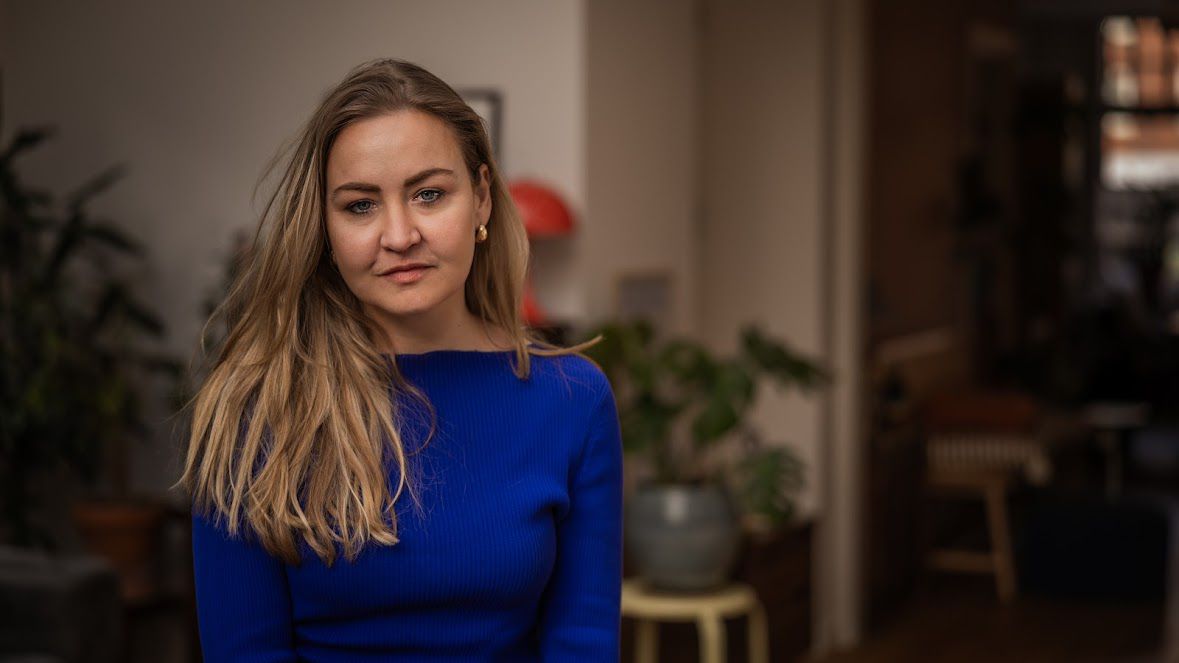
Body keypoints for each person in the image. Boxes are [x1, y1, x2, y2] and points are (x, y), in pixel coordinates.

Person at [177, 58, 623, 662]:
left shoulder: (572, 399)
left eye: (428, 194)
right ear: (325, 227)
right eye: (360, 205)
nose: (399, 235)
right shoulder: (253, 410)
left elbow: (583, 643)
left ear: (482, 199)